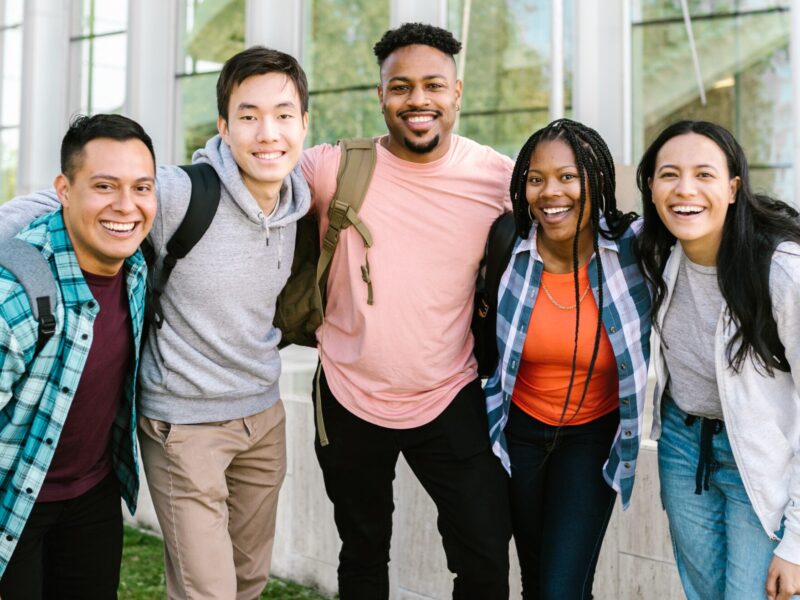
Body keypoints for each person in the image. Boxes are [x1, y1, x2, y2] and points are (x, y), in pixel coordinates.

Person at [0, 46, 311, 599]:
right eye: (248, 115)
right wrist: (15, 253)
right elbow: (60, 202)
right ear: (224, 126)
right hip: (185, 425)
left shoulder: (301, 198)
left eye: (284, 115)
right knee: (206, 592)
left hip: (261, 415)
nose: (268, 132)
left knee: (247, 581)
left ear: (304, 123)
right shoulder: (178, 192)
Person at [300, 22, 514, 599]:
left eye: (433, 86)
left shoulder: (498, 178)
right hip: (347, 394)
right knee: (363, 553)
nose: (418, 100)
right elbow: (243, 179)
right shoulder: (332, 169)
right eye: (400, 87)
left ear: (457, 92)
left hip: (450, 391)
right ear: (381, 97)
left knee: (486, 555)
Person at [483, 118, 652, 599]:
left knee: (560, 589)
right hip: (517, 432)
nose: (549, 192)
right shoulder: (507, 244)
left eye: (568, 176)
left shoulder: (633, 248)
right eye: (536, 179)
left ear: (596, 180)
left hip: (592, 437)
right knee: (539, 582)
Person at [635, 120, 800, 600]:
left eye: (704, 175)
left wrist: (796, 543)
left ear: (732, 188)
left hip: (762, 456)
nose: (685, 189)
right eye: (669, 174)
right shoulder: (656, 250)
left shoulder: (782, 271)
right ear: (651, 186)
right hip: (685, 449)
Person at [0, 114, 156, 599]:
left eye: (141, 187)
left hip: (92, 494)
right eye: (104, 186)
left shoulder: (137, 264)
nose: (126, 206)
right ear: (64, 190)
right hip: (12, 502)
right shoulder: (15, 294)